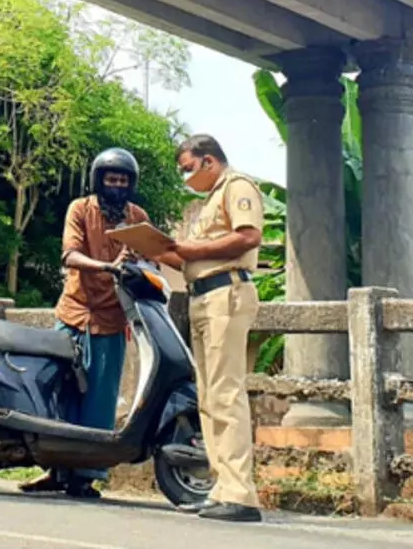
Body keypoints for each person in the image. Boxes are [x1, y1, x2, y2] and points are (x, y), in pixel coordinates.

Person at [21, 147, 182, 498]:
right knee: (60, 393)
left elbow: (154, 255)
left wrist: (148, 262)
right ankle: (54, 471)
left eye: (123, 180)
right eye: (111, 179)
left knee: (100, 397)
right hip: (74, 313)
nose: (117, 185)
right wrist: (105, 266)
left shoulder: (137, 215)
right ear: (98, 180)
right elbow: (70, 254)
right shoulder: (80, 209)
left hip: (111, 319)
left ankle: (85, 475)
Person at [168, 134, 264, 523]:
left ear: (210, 161)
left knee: (226, 393)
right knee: (207, 398)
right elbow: (191, 260)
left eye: (189, 168)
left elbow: (248, 236)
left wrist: (187, 250)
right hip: (202, 295)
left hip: (228, 293)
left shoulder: (236, 186)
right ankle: (223, 487)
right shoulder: (206, 203)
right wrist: (157, 247)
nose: (186, 177)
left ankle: (241, 494)